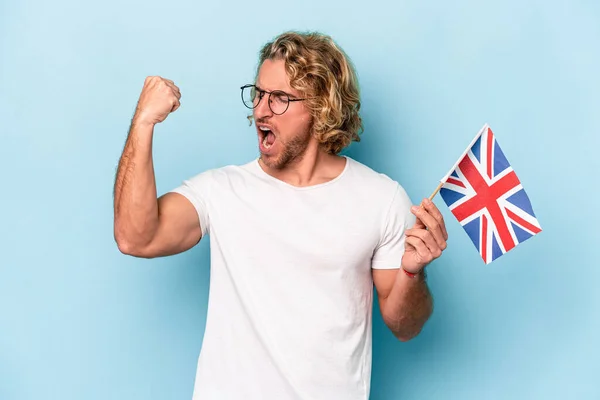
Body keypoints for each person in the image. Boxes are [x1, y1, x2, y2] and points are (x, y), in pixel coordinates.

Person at [113, 31, 448, 400]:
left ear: (322, 107)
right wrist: (143, 123)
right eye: (258, 94)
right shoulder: (222, 190)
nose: (260, 110)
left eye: (279, 99)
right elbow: (135, 237)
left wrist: (413, 272)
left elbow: (406, 326)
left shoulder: (381, 198)